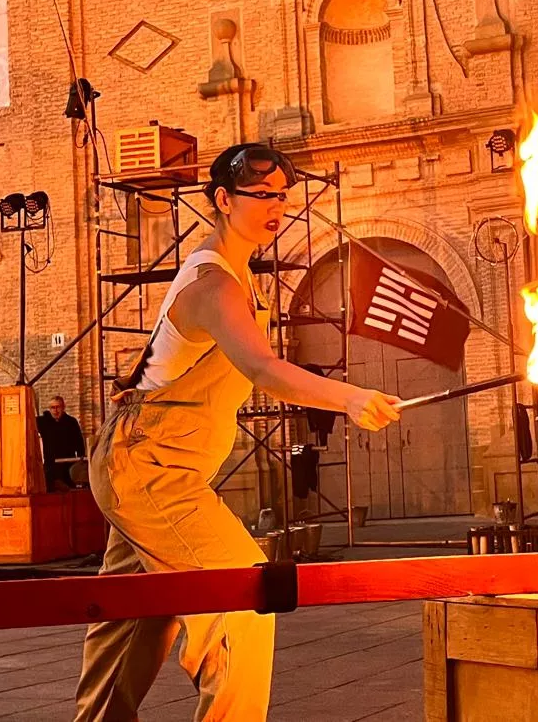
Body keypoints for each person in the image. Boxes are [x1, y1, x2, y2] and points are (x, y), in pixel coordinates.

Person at [74, 144, 402, 722]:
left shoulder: (234, 274)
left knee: (140, 614)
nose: (277, 206)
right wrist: (350, 398)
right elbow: (262, 369)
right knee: (245, 596)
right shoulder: (214, 285)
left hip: (146, 464)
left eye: (282, 195)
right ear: (224, 200)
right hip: (152, 468)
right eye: (261, 194)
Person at [37, 396, 87, 491]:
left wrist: (81, 459)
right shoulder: (43, 422)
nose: (55, 411)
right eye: (52, 407)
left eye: (58, 407)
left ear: (63, 407)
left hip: (67, 464)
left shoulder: (71, 422)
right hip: (50, 465)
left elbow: (79, 441)